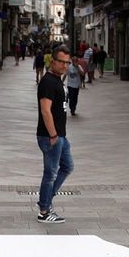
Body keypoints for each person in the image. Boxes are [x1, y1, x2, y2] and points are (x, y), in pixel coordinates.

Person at [35, 45, 74, 224]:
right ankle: (44, 211)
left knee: (67, 166)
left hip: (60, 136)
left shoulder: (58, 79)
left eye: (67, 62)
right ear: (52, 61)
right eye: (61, 62)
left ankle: (46, 200)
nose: (65, 65)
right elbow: (45, 110)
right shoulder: (48, 81)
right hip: (51, 136)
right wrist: (53, 135)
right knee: (50, 173)